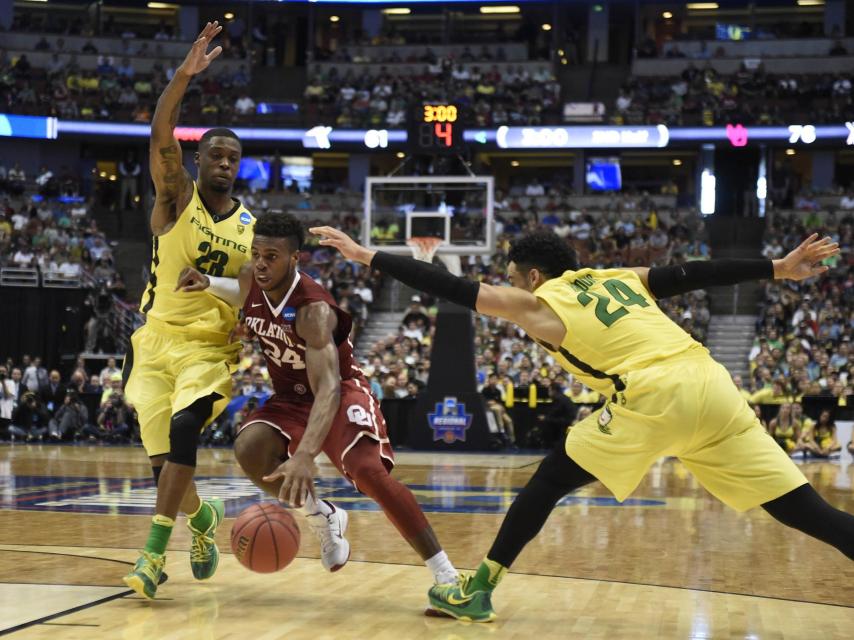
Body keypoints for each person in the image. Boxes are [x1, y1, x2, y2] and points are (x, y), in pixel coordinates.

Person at [311, 225, 853, 622]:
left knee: (549, 480)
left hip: (654, 393)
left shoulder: (538, 303)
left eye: (513, 277)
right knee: (801, 508)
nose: (510, 285)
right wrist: (777, 268)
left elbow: (450, 287)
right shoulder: (620, 277)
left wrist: (366, 254)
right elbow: (694, 274)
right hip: (713, 384)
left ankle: (478, 590)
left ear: (533, 276)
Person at [174, 211, 460, 595]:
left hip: (338, 390)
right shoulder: (250, 277)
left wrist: (306, 454)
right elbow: (242, 291)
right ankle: (322, 516)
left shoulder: (313, 310)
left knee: (369, 473)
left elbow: (328, 390)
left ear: (295, 259)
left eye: (271, 256)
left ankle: (446, 575)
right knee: (249, 447)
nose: (261, 264)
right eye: (256, 254)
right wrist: (209, 282)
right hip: (290, 397)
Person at [121, 22, 256, 600]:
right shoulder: (176, 195)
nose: (224, 163)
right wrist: (183, 76)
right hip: (155, 340)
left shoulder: (253, 230)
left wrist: (217, 286)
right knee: (163, 467)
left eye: (233, 158)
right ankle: (202, 519)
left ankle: (152, 557)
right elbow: (160, 133)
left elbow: (250, 294)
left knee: (183, 431)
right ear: (198, 158)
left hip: (209, 349)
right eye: (216, 154)